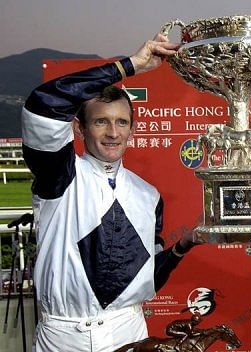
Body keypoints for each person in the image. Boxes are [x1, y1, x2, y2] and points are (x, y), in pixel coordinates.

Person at [22, 33, 195, 351]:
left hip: (128, 331)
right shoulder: (60, 175)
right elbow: (44, 105)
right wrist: (129, 66)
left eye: (121, 122)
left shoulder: (148, 195)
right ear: (80, 128)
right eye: (101, 121)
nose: (113, 132)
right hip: (63, 336)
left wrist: (183, 246)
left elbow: (147, 279)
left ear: (132, 128)